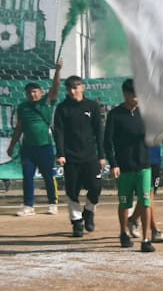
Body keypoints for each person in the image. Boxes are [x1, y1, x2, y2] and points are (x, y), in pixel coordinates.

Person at [104, 79, 155, 252]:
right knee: (125, 203)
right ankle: (123, 232)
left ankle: (146, 239)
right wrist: (114, 164)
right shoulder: (115, 115)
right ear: (126, 94)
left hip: (144, 166)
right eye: (134, 94)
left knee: (146, 202)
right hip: (124, 167)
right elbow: (107, 142)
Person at [52, 73, 106, 237]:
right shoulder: (62, 108)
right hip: (71, 157)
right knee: (72, 191)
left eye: (75, 87)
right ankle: (76, 222)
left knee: (95, 187)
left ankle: (89, 212)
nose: (72, 91)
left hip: (90, 156)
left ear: (82, 87)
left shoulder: (92, 106)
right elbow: (59, 133)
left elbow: (99, 132)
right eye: (69, 88)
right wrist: (61, 154)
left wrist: (101, 155)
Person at [7, 60, 62, 216]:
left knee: (49, 176)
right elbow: (19, 128)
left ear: (40, 92)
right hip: (28, 148)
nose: (32, 94)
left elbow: (55, 88)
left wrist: (58, 70)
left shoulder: (46, 103)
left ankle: (53, 203)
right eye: (29, 92)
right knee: (27, 177)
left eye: (35, 91)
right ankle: (28, 206)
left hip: (45, 146)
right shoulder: (23, 107)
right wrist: (12, 145)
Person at [129, 136, 163, 243]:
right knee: (148, 195)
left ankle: (133, 219)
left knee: (148, 196)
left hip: (155, 160)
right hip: (140, 160)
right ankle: (155, 230)